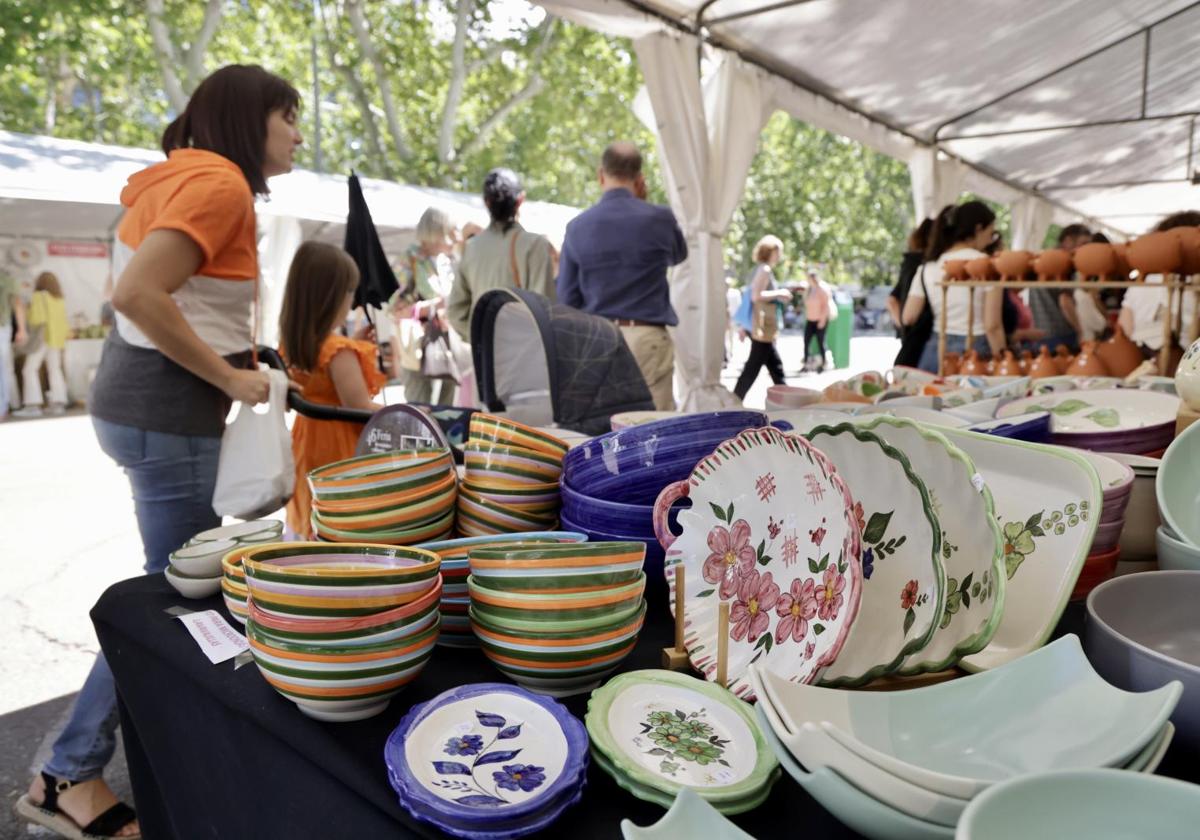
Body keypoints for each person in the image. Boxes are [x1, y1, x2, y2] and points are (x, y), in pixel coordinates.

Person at [17, 64, 301, 840]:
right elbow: (137, 294)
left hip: (144, 402)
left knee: (173, 592)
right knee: (171, 597)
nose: (299, 134)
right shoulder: (219, 187)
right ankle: (65, 772)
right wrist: (229, 379)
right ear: (251, 120)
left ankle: (82, 763)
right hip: (164, 408)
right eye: (288, 116)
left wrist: (243, 361)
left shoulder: (182, 180)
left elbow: (175, 300)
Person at [556, 142, 687, 410]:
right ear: (640, 179)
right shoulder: (660, 218)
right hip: (647, 337)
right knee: (656, 428)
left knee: (607, 427)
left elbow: (567, 297)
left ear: (601, 175)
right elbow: (679, 256)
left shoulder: (577, 227)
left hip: (600, 341)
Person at [280, 242, 384, 537]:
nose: (351, 301)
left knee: (314, 512)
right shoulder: (337, 351)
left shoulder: (293, 343)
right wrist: (406, 411)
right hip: (339, 449)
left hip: (306, 441)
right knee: (341, 518)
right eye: (349, 292)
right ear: (329, 297)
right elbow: (359, 405)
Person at [448, 168, 555, 340]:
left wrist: (483, 338)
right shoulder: (535, 245)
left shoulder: (471, 249)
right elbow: (545, 310)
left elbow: (455, 311)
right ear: (520, 200)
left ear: (486, 202)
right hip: (525, 351)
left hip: (486, 359)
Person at [902, 200, 1006, 372]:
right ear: (978, 229)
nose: (990, 240)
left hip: (936, 350)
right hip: (974, 349)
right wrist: (1003, 362)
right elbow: (992, 326)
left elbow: (908, 316)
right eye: (991, 233)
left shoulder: (927, 268)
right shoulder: (987, 266)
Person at [390, 207, 459, 406]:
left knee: (447, 408)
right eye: (452, 231)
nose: (456, 236)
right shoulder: (409, 259)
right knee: (420, 408)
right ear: (438, 231)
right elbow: (395, 309)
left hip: (445, 344)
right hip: (419, 346)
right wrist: (433, 306)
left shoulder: (446, 261)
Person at [1120, 210, 1200, 366]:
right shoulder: (1194, 280)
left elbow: (1124, 329)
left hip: (1140, 358)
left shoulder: (1144, 279)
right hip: (1187, 362)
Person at [733, 235, 791, 400]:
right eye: (778, 251)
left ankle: (785, 398)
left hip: (760, 325)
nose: (780, 255)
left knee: (772, 364)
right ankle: (736, 398)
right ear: (770, 252)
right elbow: (756, 296)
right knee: (758, 365)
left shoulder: (759, 269)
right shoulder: (764, 269)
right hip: (763, 325)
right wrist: (780, 293)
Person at [14, 271, 70, 416]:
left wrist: (26, 310)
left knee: (29, 370)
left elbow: (36, 319)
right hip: (57, 339)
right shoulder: (59, 299)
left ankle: (32, 405)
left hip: (42, 338)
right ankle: (58, 404)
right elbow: (63, 322)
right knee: (55, 370)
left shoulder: (39, 296)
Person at [1029, 223, 1091, 352]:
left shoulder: (1041, 259)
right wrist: (1080, 330)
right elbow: (1065, 301)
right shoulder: (1065, 264)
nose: (1085, 250)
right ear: (1068, 240)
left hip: (1040, 333)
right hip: (1062, 335)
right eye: (1083, 244)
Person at [889, 218, 934, 367]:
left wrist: (904, 329)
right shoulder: (922, 265)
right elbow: (892, 301)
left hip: (913, 336)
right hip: (921, 336)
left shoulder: (910, 262)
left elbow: (892, 300)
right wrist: (905, 326)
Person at [0, 266, 27, 418]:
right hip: (3, 327)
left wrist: (21, 329)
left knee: (4, 369)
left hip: (2, 327)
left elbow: (17, 303)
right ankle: (7, 406)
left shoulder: (6, 280)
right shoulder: (7, 280)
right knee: (5, 369)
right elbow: (17, 304)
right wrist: (22, 329)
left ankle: (5, 406)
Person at [803, 271, 833, 373]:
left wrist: (822, 320)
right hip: (810, 320)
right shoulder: (809, 290)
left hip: (820, 320)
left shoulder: (822, 289)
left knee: (821, 342)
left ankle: (824, 363)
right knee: (806, 341)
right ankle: (806, 363)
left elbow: (826, 306)